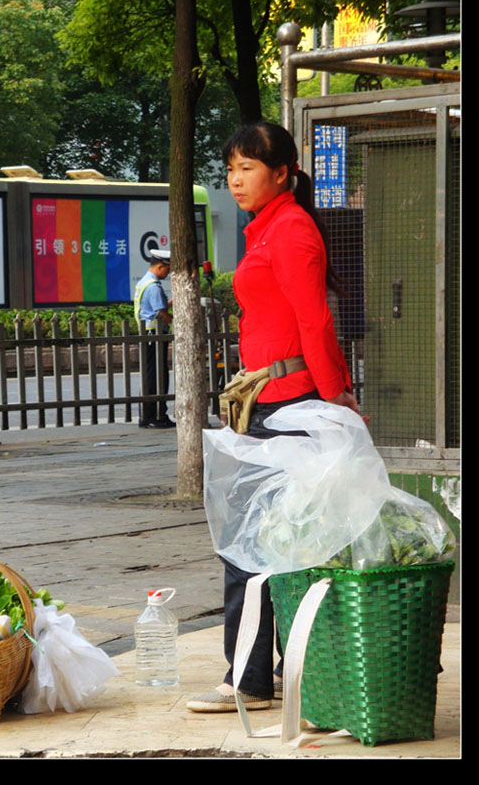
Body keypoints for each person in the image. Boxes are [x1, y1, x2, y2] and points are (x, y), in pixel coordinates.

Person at [186, 120, 363, 714]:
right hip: (263, 403)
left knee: (251, 542)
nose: (235, 179)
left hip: (291, 406)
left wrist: (336, 394)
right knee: (272, 538)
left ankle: (251, 679)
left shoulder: (290, 231)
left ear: (281, 173)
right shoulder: (265, 230)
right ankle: (277, 670)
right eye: (231, 168)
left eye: (248, 168)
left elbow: (315, 320)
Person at [134, 249, 175, 428]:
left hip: (147, 336)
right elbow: (161, 313)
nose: (168, 273)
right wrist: (177, 324)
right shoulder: (154, 286)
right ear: (160, 266)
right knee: (158, 377)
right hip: (155, 336)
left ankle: (148, 415)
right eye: (167, 269)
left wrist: (171, 302)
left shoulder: (144, 282)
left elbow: (156, 306)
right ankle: (155, 416)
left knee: (151, 376)